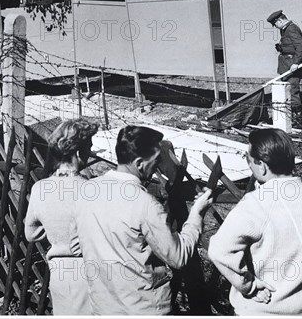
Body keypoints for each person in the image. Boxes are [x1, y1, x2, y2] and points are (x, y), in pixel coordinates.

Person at [69, 125, 213, 315]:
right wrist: (196, 214)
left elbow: (76, 245)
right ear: (138, 163)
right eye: (155, 161)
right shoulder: (145, 204)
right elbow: (177, 257)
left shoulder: (87, 191)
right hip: (143, 308)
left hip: (103, 306)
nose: (156, 168)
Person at [208, 128, 302, 316]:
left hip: (264, 307)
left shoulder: (256, 204)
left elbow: (218, 250)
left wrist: (249, 285)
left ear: (262, 166)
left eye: (248, 160)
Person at [24, 118, 99, 315]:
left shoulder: (40, 189)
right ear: (77, 152)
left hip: (59, 273)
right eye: (88, 147)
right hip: (90, 272)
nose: (89, 153)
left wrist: (56, 233)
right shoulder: (92, 190)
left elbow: (30, 234)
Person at [267, 10, 302, 115]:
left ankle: (298, 117)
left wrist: (296, 63)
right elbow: (290, 45)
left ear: (280, 20)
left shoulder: (291, 29)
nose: (275, 27)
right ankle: (291, 115)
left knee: (292, 91)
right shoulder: (285, 29)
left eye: (275, 24)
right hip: (286, 64)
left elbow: (301, 46)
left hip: (291, 65)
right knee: (287, 90)